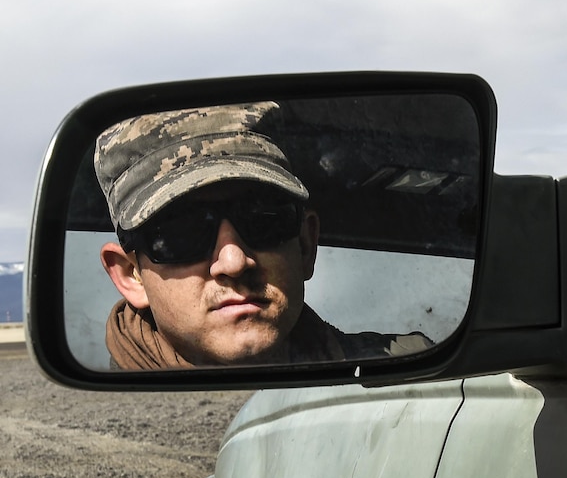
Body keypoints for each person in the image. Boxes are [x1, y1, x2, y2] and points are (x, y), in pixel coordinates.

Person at [94, 101, 430, 369]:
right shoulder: (96, 417)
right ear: (130, 276)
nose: (234, 260)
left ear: (305, 246)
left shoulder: (412, 372)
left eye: (264, 220)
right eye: (180, 234)